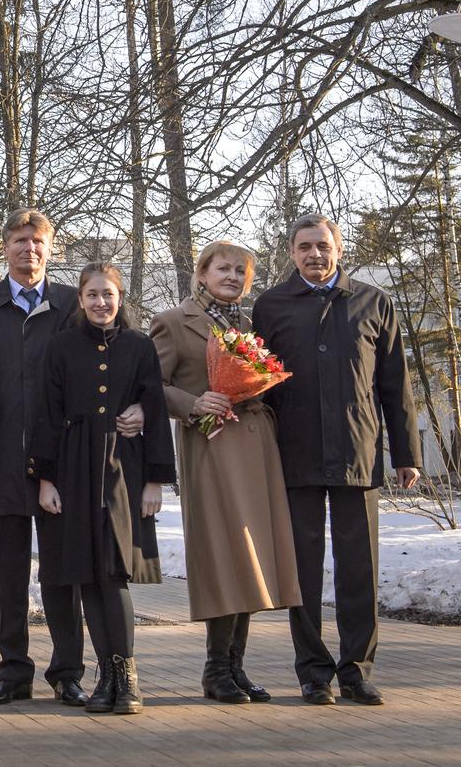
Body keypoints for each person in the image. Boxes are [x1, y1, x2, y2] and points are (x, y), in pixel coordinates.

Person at [253, 213, 422, 706]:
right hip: (296, 455)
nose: (314, 254)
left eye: (323, 245)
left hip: (357, 452)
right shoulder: (271, 305)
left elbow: (395, 385)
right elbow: (258, 382)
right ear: (291, 252)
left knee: (358, 569)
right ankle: (313, 672)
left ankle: (357, 670)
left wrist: (406, 453)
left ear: (339, 248)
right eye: (304, 246)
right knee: (302, 569)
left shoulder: (373, 301)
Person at [0, 209, 113, 707]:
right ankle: (13, 671)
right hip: (1, 457)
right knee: (8, 573)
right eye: (20, 240)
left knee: (62, 573)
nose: (29, 249)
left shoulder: (72, 303)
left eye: (38, 241)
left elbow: (107, 361)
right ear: (5, 247)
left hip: (62, 462)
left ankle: (67, 671)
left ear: (51, 249)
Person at [149, 241, 302, 704]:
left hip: (257, 447)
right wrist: (193, 404)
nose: (233, 276)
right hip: (210, 444)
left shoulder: (252, 325)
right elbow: (151, 385)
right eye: (223, 268)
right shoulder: (175, 321)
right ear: (201, 273)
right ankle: (215, 669)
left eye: (241, 271)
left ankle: (235, 667)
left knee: (252, 554)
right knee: (224, 551)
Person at [32, 263, 175, 715]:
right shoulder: (61, 346)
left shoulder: (138, 345)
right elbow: (47, 414)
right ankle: (105, 677)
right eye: (92, 295)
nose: (100, 303)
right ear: (80, 299)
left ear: (120, 298)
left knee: (114, 573)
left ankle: (127, 677)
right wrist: (46, 479)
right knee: (87, 574)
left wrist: (155, 480)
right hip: (74, 468)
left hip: (123, 470)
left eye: (108, 295)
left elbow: (153, 408)